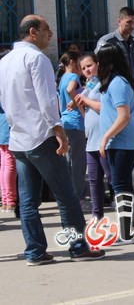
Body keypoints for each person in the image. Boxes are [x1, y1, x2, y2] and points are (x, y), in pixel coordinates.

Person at [0, 14, 105, 265]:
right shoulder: (37, 58)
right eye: (47, 29)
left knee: (28, 201)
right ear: (33, 32)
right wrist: (58, 131)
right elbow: (46, 98)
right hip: (41, 136)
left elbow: (5, 101)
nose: (51, 34)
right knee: (66, 195)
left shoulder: (6, 61)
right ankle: (78, 246)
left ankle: (35, 251)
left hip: (19, 138)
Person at [97, 43, 134, 227]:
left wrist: (106, 136)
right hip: (120, 140)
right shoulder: (113, 81)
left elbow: (123, 116)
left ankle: (127, 225)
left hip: (122, 141)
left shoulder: (118, 83)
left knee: (119, 185)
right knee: (123, 183)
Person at [74, 53, 112, 219]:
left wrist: (86, 101)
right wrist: (80, 103)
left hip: (105, 139)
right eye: (83, 68)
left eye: (89, 65)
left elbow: (106, 108)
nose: (87, 70)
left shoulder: (105, 83)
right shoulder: (88, 86)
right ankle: (97, 216)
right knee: (94, 180)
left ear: (97, 63)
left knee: (112, 179)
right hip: (91, 140)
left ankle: (132, 214)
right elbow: (87, 112)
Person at [57, 51, 89, 210]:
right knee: (78, 162)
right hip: (76, 123)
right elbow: (71, 90)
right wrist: (77, 102)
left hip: (65, 122)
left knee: (70, 161)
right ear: (72, 62)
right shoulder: (73, 78)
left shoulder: (62, 77)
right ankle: (79, 197)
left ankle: (71, 195)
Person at [95, 7, 134, 73]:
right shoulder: (107, 41)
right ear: (119, 22)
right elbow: (101, 66)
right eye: (129, 22)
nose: (132, 26)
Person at [0, 49, 16, 213]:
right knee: (8, 162)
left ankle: (6, 198)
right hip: (6, 123)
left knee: (5, 162)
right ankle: (10, 199)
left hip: (2, 124)